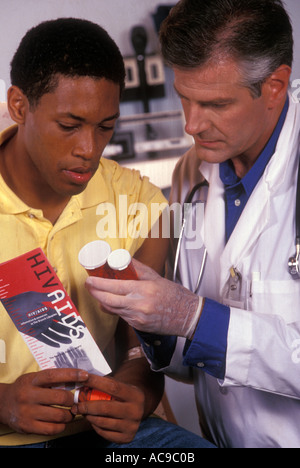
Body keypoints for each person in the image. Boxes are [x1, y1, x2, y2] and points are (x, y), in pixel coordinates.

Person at [86, 0, 300, 448]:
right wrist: (153, 321)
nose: (191, 123)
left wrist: (193, 316)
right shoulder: (191, 174)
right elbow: (196, 362)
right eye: (184, 97)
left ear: (276, 86)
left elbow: (204, 323)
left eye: (215, 103)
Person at [0, 17, 213, 448]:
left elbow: (143, 350)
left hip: (106, 440)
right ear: (19, 106)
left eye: (105, 126)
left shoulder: (141, 205)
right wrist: (3, 401)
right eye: (69, 125)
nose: (89, 149)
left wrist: (136, 396)